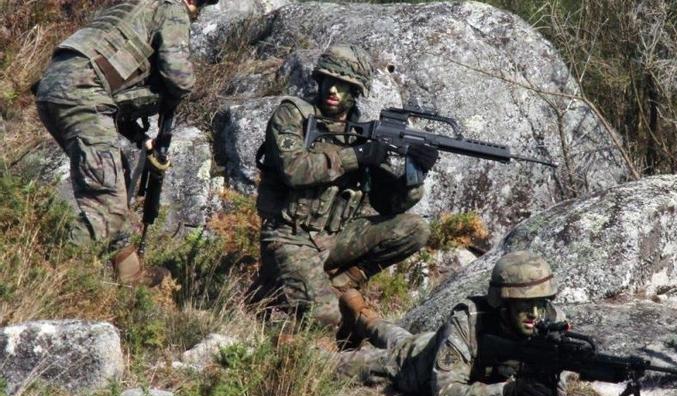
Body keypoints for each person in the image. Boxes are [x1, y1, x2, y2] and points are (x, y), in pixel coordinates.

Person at [253, 44, 438, 329]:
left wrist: (415, 175)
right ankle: (272, 287)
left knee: (416, 229)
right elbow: (294, 170)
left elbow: (389, 205)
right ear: (319, 81)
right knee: (330, 320)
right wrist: (358, 156)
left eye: (344, 86)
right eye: (329, 82)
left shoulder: (359, 135)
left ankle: (342, 281)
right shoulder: (293, 116)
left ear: (355, 93)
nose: (333, 91)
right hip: (290, 237)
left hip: (336, 239)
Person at [33, 0, 216, 283]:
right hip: (82, 93)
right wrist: (172, 93)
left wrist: (142, 138)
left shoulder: (136, 7)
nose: (195, 14)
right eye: (197, 9)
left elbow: (110, 75)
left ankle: (129, 273)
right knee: (106, 203)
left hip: (55, 90)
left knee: (113, 179)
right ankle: (49, 276)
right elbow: (178, 76)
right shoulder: (173, 7)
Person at [336, 250, 566, 396]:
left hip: (432, 343)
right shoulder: (468, 321)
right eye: (524, 304)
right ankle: (354, 319)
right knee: (332, 365)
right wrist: (508, 392)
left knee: (399, 337)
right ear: (503, 304)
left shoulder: (552, 323)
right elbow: (444, 395)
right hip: (414, 364)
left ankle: (361, 315)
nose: (535, 313)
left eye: (541, 302)